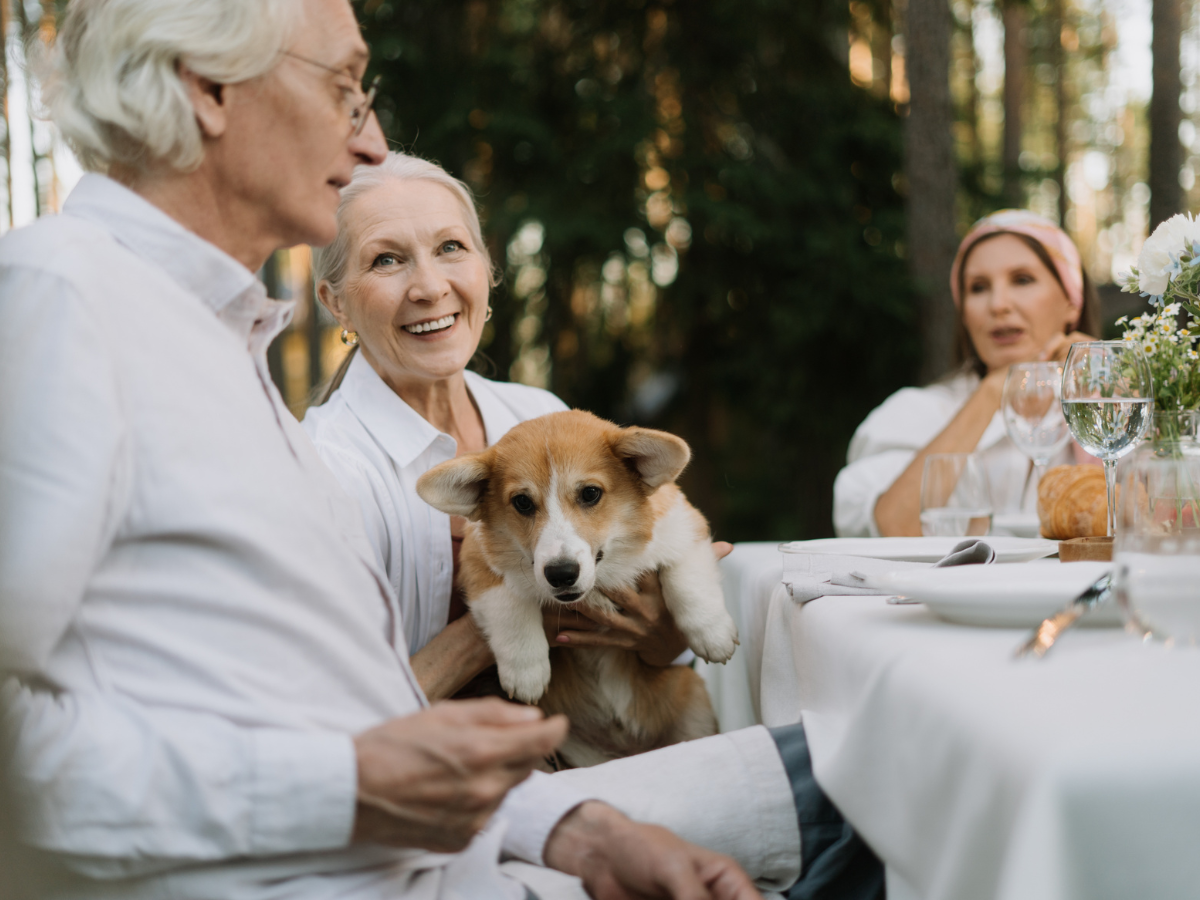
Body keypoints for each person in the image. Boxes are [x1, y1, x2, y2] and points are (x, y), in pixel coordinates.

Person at [0, 1, 881, 898]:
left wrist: (579, 829)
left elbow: (374, 727)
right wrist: (344, 788)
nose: (373, 142)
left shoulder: (220, 353)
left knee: (893, 756)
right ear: (208, 89)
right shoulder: (61, 299)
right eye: (346, 87)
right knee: (884, 780)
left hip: (468, 849)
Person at [301, 152, 702, 701]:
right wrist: (493, 626)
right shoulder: (319, 470)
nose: (429, 286)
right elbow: (326, 716)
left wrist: (662, 635)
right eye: (387, 260)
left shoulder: (539, 414)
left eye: (450, 248)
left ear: (486, 268)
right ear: (335, 303)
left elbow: (665, 649)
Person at [833, 210, 1100, 538]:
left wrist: (1111, 386)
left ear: (1072, 301)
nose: (998, 305)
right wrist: (991, 393)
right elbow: (893, 527)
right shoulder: (918, 412)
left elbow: (1165, 522)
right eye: (978, 288)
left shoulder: (1118, 406)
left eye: (1022, 280)